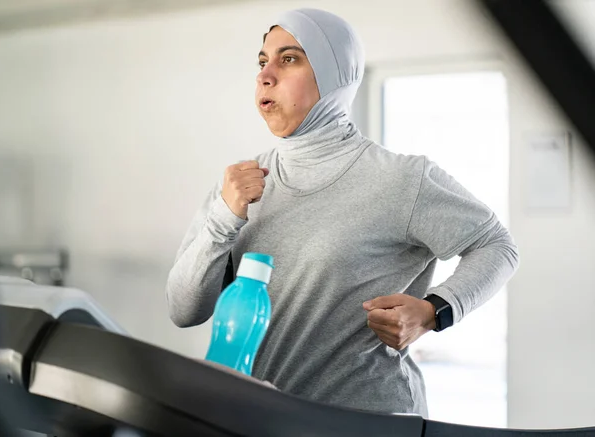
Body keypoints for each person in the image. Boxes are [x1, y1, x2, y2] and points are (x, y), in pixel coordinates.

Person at [165, 8, 519, 417]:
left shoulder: (402, 179)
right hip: (260, 418)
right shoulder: (237, 187)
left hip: (369, 421)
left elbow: (498, 246)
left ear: (334, 74)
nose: (265, 74)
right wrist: (224, 218)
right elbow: (183, 310)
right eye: (262, 61)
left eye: (290, 58)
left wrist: (432, 311)